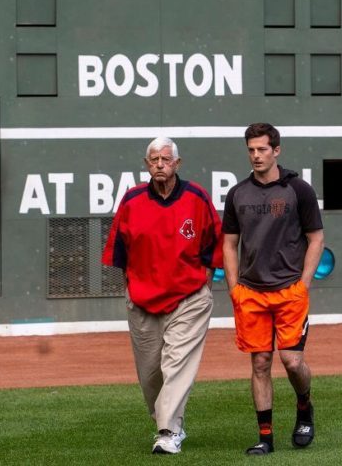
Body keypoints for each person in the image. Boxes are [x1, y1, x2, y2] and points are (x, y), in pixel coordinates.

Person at [102, 137, 222, 455]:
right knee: (150, 374)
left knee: (176, 364)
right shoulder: (132, 200)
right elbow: (119, 254)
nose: (159, 164)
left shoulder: (197, 197)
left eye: (165, 159)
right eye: (153, 159)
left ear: (177, 164)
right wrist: (132, 289)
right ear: (146, 164)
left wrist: (204, 286)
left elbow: (215, 245)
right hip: (143, 300)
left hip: (188, 297)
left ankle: (167, 431)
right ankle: (168, 423)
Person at [222, 123, 324, 456]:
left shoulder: (299, 190)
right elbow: (229, 243)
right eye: (251, 149)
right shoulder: (238, 194)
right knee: (260, 364)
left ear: (276, 150)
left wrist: (304, 284)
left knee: (292, 362)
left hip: (289, 291)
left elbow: (316, 238)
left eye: (262, 149)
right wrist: (235, 288)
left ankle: (304, 405)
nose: (256, 155)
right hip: (251, 293)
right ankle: (265, 437)